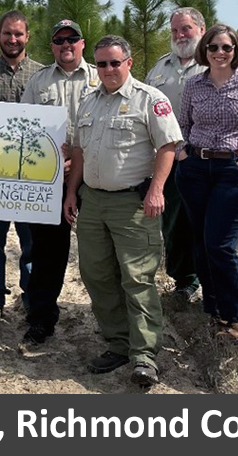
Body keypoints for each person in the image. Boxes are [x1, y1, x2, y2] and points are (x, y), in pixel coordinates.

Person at [63, 35, 183, 387]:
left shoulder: (150, 99)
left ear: (129, 63)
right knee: (96, 274)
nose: (109, 69)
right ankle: (118, 342)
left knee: (137, 279)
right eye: (101, 64)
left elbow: (168, 146)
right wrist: (73, 192)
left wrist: (157, 190)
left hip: (133, 203)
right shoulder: (89, 102)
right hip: (93, 201)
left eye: (115, 62)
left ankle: (145, 355)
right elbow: (81, 153)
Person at [175, 24, 238, 342]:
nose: (220, 53)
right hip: (196, 170)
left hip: (237, 171)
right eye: (213, 47)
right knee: (202, 242)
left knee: (219, 243)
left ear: (236, 50)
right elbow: (182, 123)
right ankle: (216, 309)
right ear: (204, 50)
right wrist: (182, 153)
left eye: (226, 47)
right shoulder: (195, 84)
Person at [20, 19, 99, 345]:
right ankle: (41, 317)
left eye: (72, 38)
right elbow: (25, 128)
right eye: (59, 39)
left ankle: (111, 319)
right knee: (48, 252)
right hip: (49, 178)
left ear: (82, 43)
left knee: (100, 251)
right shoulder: (38, 82)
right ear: (51, 45)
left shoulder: (100, 76)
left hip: (95, 175)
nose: (66, 44)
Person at [0, 10, 44, 324]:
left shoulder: (42, 75)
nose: (12, 40)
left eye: (18, 34)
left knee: (32, 243)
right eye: (7, 34)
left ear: (27, 37)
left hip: (33, 174)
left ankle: (31, 296)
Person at [144, 7, 207, 309]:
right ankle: (184, 280)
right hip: (167, 158)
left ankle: (207, 280)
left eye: (186, 29)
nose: (181, 35)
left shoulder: (215, 62)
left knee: (202, 222)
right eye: (175, 31)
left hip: (202, 158)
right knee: (172, 223)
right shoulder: (159, 70)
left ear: (201, 30)